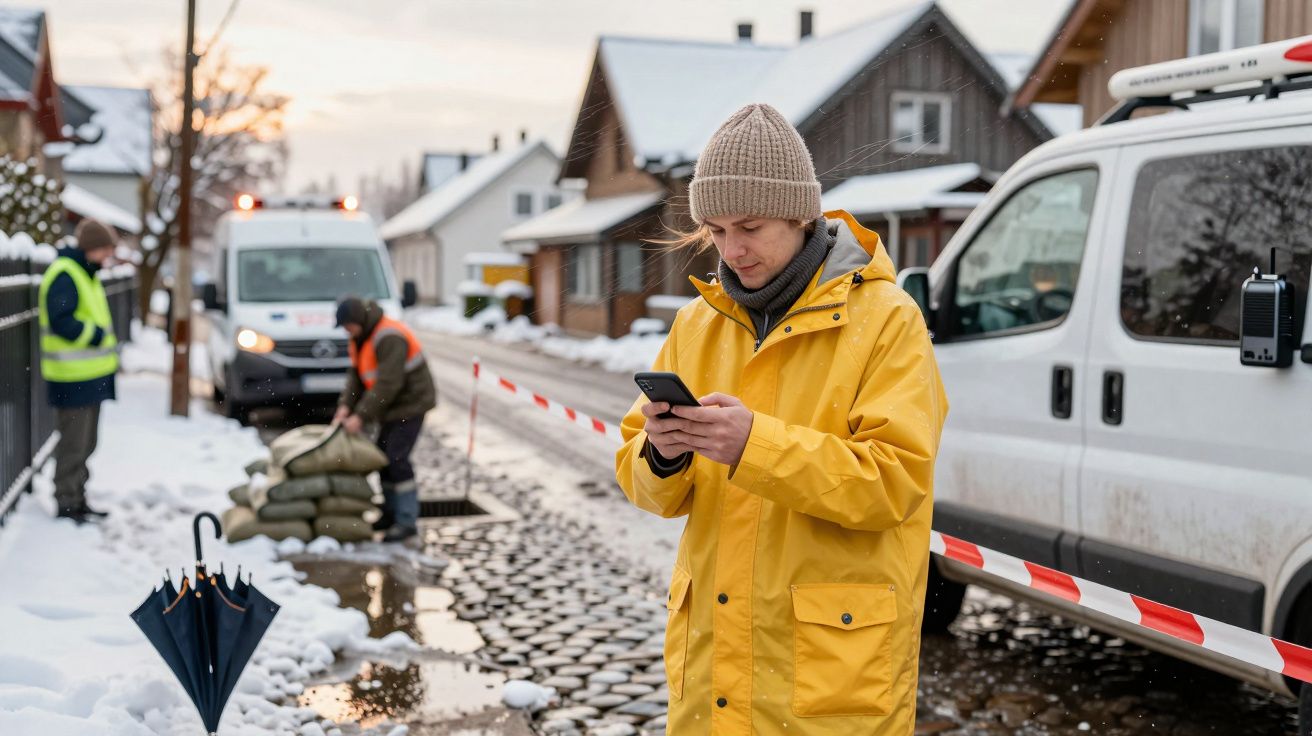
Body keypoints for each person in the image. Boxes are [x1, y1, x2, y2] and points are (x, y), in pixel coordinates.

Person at [615, 103, 948, 735]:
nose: (731, 250)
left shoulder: (888, 321)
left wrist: (753, 446)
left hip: (828, 680)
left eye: (750, 226)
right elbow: (643, 483)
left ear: (801, 213)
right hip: (714, 679)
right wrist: (663, 454)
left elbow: (894, 483)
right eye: (714, 230)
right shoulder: (697, 323)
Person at [334, 297, 436, 543]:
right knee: (383, 456)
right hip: (391, 407)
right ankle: (389, 514)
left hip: (411, 403)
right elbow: (357, 378)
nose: (346, 331)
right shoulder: (360, 338)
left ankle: (406, 520)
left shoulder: (389, 337)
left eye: (348, 326)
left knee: (396, 458)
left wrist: (361, 416)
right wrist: (345, 407)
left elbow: (388, 384)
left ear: (358, 321)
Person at [38, 218, 120, 523]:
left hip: (89, 376)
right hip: (72, 378)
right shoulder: (66, 274)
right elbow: (62, 320)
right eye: (107, 249)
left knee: (86, 444)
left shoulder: (86, 273)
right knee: (74, 445)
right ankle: (67, 501)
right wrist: (95, 335)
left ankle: (78, 496)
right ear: (93, 248)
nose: (109, 256)